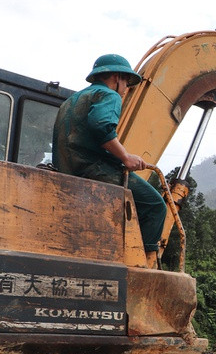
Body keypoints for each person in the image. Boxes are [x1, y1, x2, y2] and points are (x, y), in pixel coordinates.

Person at [53, 54, 167, 268]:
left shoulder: (71, 100)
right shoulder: (108, 95)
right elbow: (101, 126)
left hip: (68, 168)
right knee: (154, 205)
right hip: (92, 169)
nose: (125, 90)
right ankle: (142, 266)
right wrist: (125, 157)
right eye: (126, 84)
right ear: (117, 77)